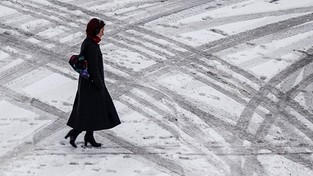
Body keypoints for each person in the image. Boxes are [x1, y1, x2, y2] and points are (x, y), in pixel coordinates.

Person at [65, 18, 121, 148]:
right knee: (92, 110)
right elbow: (94, 69)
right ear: (96, 31)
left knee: (91, 110)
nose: (103, 34)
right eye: (101, 31)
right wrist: (99, 85)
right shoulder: (93, 47)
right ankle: (76, 132)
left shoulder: (88, 42)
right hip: (93, 84)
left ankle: (88, 136)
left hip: (87, 83)